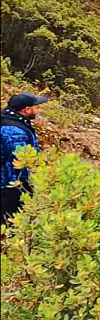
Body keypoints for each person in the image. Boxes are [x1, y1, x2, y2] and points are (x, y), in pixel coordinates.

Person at [1, 92, 48, 227]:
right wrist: (35, 180)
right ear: (27, 109)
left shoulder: (13, 121)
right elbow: (21, 159)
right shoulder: (13, 130)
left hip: (12, 184)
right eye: (36, 107)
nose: (38, 110)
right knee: (11, 224)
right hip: (10, 186)